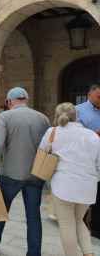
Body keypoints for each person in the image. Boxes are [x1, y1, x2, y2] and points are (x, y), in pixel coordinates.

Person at [0, 87, 50, 256]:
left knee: (0, 209)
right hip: (36, 174)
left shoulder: (5, 116)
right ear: (26, 99)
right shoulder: (43, 118)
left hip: (11, 173)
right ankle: (34, 253)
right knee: (33, 217)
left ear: (10, 102)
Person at [39, 103, 99, 256]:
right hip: (87, 186)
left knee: (67, 225)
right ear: (76, 116)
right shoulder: (92, 135)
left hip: (63, 185)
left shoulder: (52, 132)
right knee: (79, 221)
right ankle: (88, 253)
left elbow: (42, 152)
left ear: (57, 115)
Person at [76, 84, 100, 239]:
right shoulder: (77, 110)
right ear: (90, 93)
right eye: (99, 96)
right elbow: (74, 133)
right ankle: (81, 226)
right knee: (84, 195)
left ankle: (97, 229)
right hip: (85, 160)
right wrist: (94, 135)